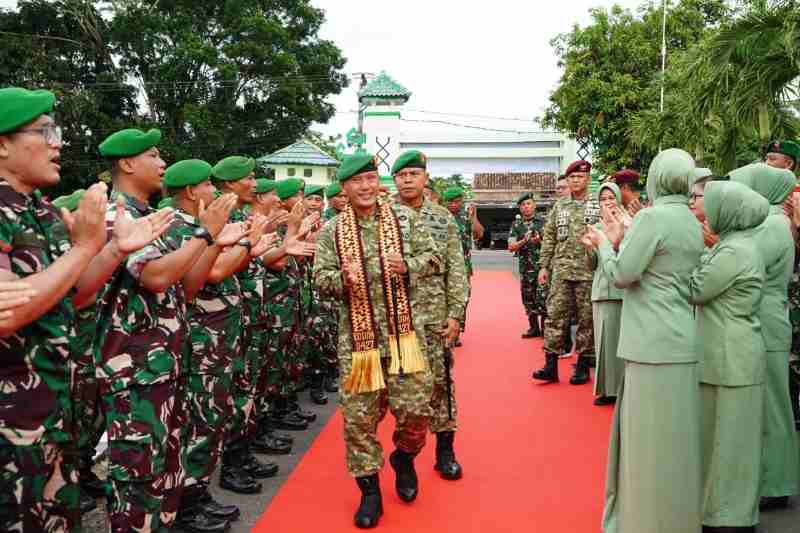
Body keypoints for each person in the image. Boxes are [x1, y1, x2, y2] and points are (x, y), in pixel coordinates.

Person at [0, 88, 172, 532]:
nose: (58, 143)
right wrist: (84, 248)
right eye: (45, 131)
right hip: (10, 426)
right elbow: (7, 314)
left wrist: (113, 249)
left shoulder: (39, 211)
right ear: (2, 144)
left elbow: (72, 293)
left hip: (53, 414)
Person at [95, 128, 229, 532]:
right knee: (138, 477)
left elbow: (186, 286)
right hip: (134, 370)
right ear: (127, 163)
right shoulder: (117, 215)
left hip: (166, 362)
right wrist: (204, 234)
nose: (162, 164)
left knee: (167, 468)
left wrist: (212, 239)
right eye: (153, 155)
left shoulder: (155, 218)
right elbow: (154, 277)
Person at [314, 152, 438, 529]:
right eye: (357, 182)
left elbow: (434, 259)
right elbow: (320, 279)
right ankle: (370, 491)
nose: (366, 187)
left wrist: (408, 265)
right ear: (345, 188)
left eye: (371, 179)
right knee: (358, 422)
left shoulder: (406, 219)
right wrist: (342, 280)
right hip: (359, 345)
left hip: (405, 339)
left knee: (417, 413)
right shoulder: (332, 231)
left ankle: (404, 457)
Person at [585, 148, 705, 533]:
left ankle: (644, 519)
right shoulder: (689, 220)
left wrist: (605, 244)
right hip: (682, 338)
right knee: (675, 440)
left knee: (646, 441)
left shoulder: (652, 217)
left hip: (649, 342)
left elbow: (623, 274)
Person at [159, 159, 267, 530]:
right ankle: (188, 502)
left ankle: (198, 493)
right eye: (208, 185)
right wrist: (251, 242)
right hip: (202, 338)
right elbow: (214, 271)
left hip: (220, 334)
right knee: (201, 421)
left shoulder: (197, 226)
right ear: (191, 191)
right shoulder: (177, 227)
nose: (214, 192)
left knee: (214, 416)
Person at [689, 180, 769, 532]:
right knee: (728, 439)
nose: (706, 209)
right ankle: (726, 512)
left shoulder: (734, 251)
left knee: (731, 441)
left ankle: (730, 516)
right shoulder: (735, 245)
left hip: (730, 354)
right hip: (731, 352)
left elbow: (697, 288)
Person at [392, 150, 468, 481]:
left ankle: (445, 449)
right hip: (397, 318)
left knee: (442, 384)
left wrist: (456, 315)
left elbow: (456, 268)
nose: (408, 180)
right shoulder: (383, 216)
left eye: (414, 174)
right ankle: (406, 455)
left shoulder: (442, 218)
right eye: (402, 175)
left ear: (425, 178)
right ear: (395, 179)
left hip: (436, 316)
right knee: (406, 390)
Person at [729, 163, 799, 511]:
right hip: (767, 318)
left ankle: (777, 481)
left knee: (773, 404)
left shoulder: (770, 224)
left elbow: (743, 264)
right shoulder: (769, 221)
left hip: (767, 321)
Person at [211, 155, 280, 495]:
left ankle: (242, 455)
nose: (255, 184)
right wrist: (252, 244)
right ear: (229, 183)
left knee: (245, 392)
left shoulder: (240, 216)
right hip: (217, 325)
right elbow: (219, 268)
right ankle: (229, 468)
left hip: (245, 316)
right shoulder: (220, 218)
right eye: (249, 179)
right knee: (229, 397)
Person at [534, 160, 599, 385]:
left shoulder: (598, 205)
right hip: (561, 270)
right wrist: (544, 266)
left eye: (580, 177)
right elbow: (549, 236)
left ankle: (581, 365)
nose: (575, 181)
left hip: (588, 271)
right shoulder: (559, 206)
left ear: (588, 179)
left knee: (586, 319)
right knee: (555, 316)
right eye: (571, 177)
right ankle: (550, 365)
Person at [583, 182, 625, 406]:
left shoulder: (629, 224)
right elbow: (591, 265)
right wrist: (590, 248)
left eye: (611, 198)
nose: (608, 202)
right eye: (603, 199)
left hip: (623, 290)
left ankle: (622, 389)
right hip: (601, 290)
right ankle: (608, 389)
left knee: (621, 342)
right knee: (603, 342)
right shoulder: (595, 227)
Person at [442, 186, 484, 345]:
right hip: (443, 263)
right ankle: (443, 329)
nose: (453, 205)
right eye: (450, 202)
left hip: (462, 264)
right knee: (443, 296)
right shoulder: (440, 215)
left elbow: (479, 234)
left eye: (456, 201)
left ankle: (456, 331)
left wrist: (473, 217)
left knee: (461, 297)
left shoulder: (466, 217)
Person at [508, 192, 546, 338]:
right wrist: (524, 240)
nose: (526, 207)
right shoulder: (516, 225)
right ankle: (533, 328)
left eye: (529, 203)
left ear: (534, 205)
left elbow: (552, 243)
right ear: (520, 208)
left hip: (542, 268)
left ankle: (545, 329)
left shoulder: (544, 222)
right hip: (526, 269)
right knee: (528, 298)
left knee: (544, 297)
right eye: (523, 205)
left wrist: (539, 241)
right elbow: (511, 247)